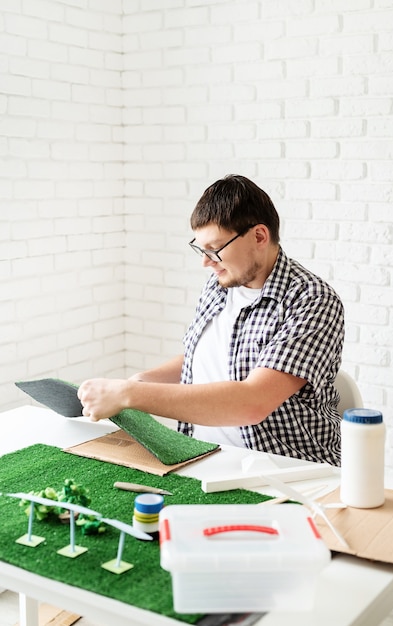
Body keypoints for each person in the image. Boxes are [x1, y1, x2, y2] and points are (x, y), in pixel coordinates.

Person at [78, 174, 345, 466]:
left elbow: (252, 403)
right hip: (205, 457)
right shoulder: (220, 284)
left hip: (287, 469)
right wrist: (141, 380)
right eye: (201, 248)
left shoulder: (312, 300)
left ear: (259, 236)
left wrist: (130, 394)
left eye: (215, 249)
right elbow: (204, 357)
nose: (206, 261)